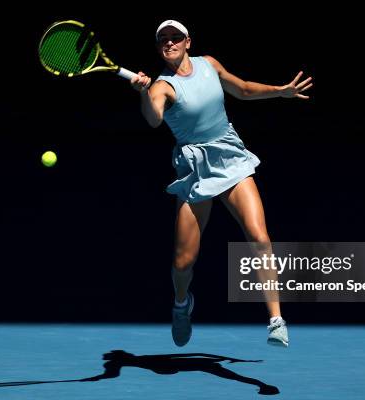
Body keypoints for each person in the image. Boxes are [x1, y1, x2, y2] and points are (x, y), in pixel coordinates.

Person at [130, 19, 312, 347]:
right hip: (195, 169)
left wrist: (280, 91)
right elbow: (154, 119)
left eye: (175, 38)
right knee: (183, 262)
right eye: (163, 40)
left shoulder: (209, 64)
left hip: (230, 156)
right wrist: (144, 94)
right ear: (159, 48)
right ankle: (182, 304)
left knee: (259, 236)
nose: (169, 43)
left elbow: (241, 88)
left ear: (188, 42)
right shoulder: (161, 86)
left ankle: (276, 320)